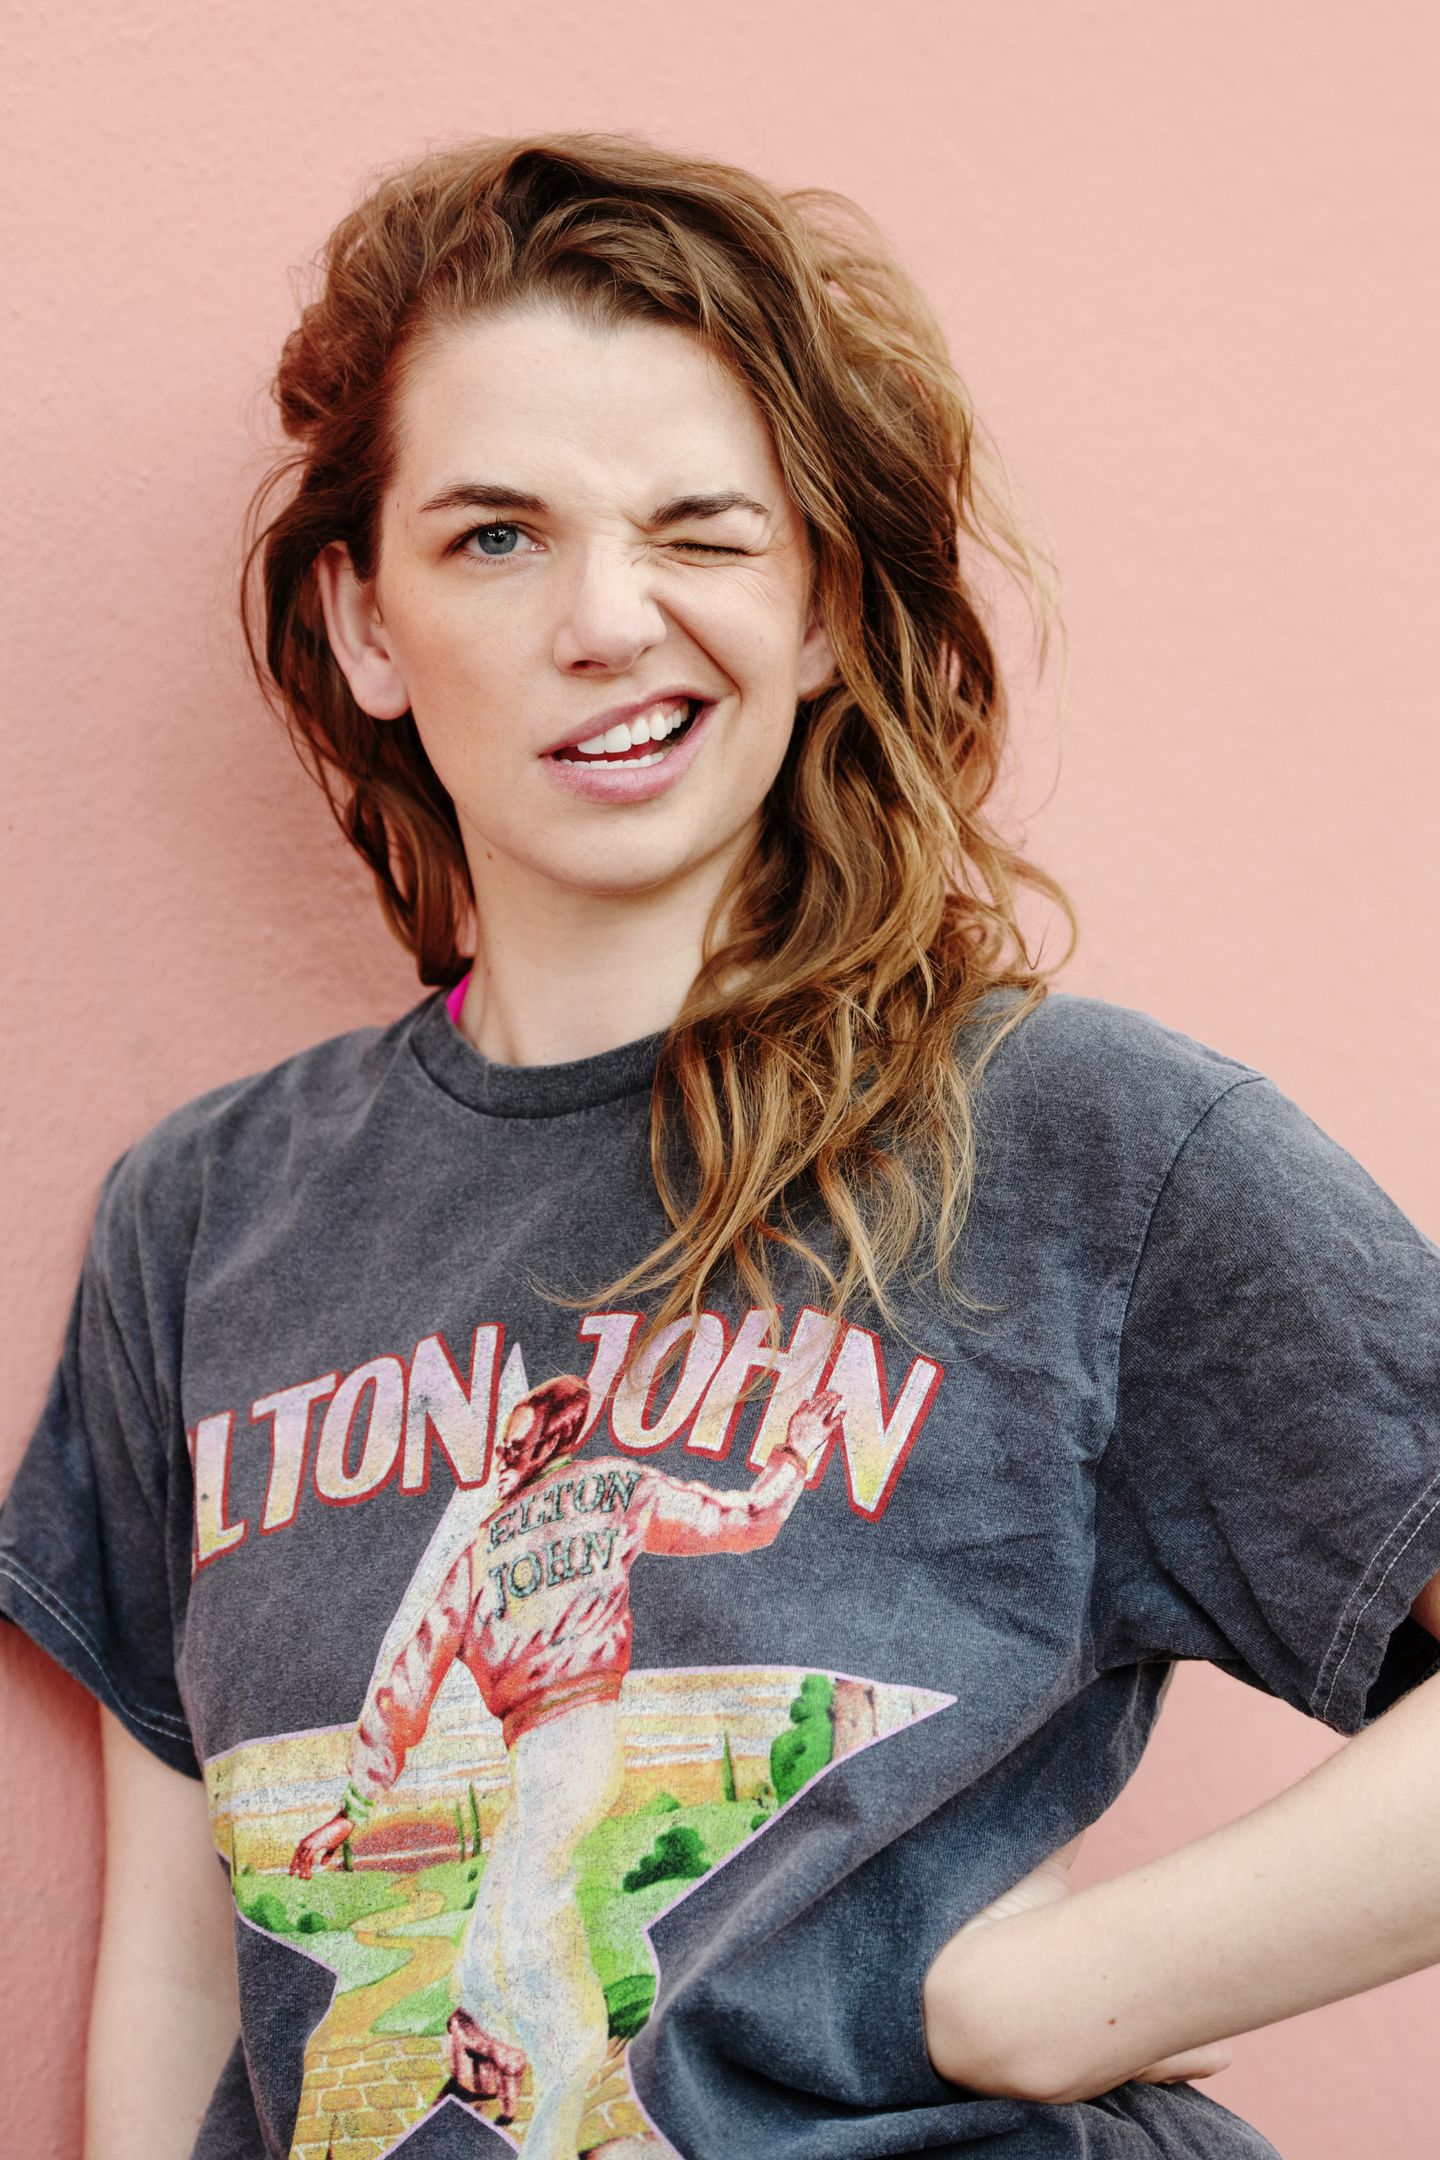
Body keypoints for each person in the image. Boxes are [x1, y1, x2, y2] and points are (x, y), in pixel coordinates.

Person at [4, 126, 1440, 2160]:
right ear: (365, 624)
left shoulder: (1086, 1151)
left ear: (826, 607)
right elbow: (185, 1974)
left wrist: (1051, 2004)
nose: (609, 618)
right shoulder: (207, 1215)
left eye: (704, 531)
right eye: (496, 537)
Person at [288, 1370, 843, 2159]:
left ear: (553, 1440)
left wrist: (796, 1454)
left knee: (529, 1921)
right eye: (503, 1444)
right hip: (548, 1748)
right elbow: (410, 1676)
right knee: (494, 1919)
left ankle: (566, 2107)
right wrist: (355, 1804)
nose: (504, 1457)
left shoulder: (575, 1506)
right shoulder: (509, 1534)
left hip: (574, 1737)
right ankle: (487, 2051)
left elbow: (740, 1520)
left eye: (517, 1443)